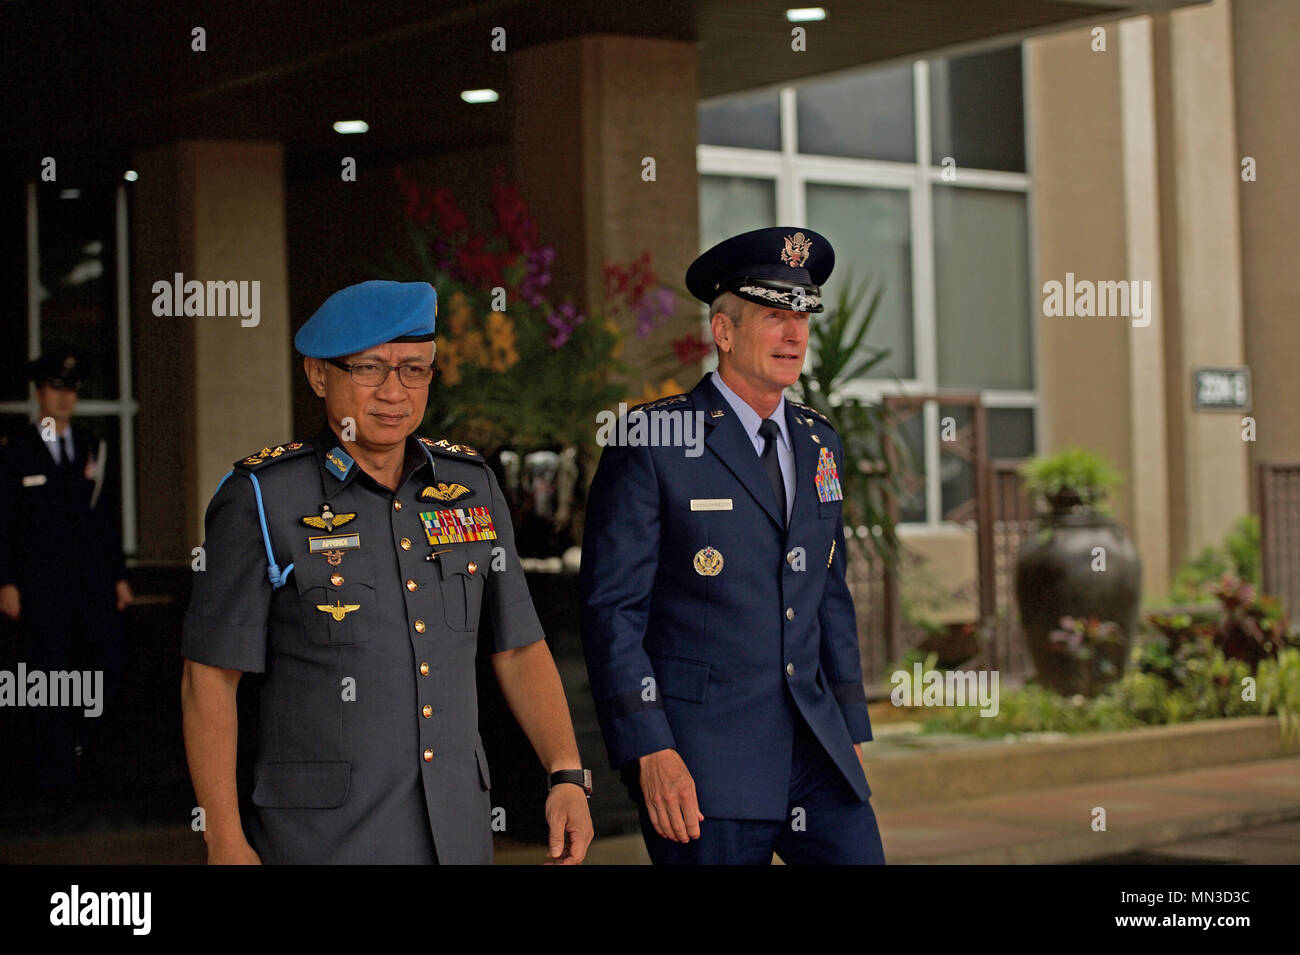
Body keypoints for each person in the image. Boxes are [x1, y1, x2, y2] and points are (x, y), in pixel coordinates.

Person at [180, 280, 593, 864]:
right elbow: (209, 679)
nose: (394, 392)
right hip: (319, 841)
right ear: (319, 375)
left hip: (456, 833)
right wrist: (223, 839)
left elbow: (519, 647)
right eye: (370, 368)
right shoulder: (261, 499)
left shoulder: (469, 488)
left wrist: (566, 773)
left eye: (415, 369)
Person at [581, 227, 886, 864]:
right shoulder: (653, 440)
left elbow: (830, 594)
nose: (794, 335)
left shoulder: (818, 441)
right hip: (703, 763)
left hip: (817, 756)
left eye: (802, 317)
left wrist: (851, 727)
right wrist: (650, 750)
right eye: (775, 317)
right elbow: (613, 613)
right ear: (724, 332)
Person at [0, 353, 132, 801]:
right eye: (56, 388)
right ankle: (53, 774)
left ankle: (80, 748)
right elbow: (5, 522)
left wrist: (117, 577)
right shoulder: (16, 450)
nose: (64, 397)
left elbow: (105, 520)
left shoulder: (93, 447)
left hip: (90, 586)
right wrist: (6, 581)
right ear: (39, 394)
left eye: (71, 389)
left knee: (104, 664)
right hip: (40, 588)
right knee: (48, 673)